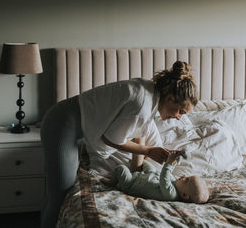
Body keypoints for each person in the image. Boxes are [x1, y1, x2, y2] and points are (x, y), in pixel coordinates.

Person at [40, 61, 198, 227]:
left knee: (56, 191)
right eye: (181, 111)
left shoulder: (150, 93)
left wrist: (136, 172)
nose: (180, 117)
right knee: (60, 193)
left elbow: (139, 134)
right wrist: (149, 151)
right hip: (62, 122)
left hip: (78, 126)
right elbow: (111, 139)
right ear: (170, 98)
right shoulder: (142, 107)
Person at [101, 151, 209, 204]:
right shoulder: (174, 182)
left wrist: (169, 163)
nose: (184, 176)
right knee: (151, 167)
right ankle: (141, 162)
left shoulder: (172, 195)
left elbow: (164, 177)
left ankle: (112, 182)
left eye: (187, 180)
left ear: (184, 195)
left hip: (131, 184)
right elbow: (159, 174)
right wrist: (174, 161)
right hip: (146, 176)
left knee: (121, 168)